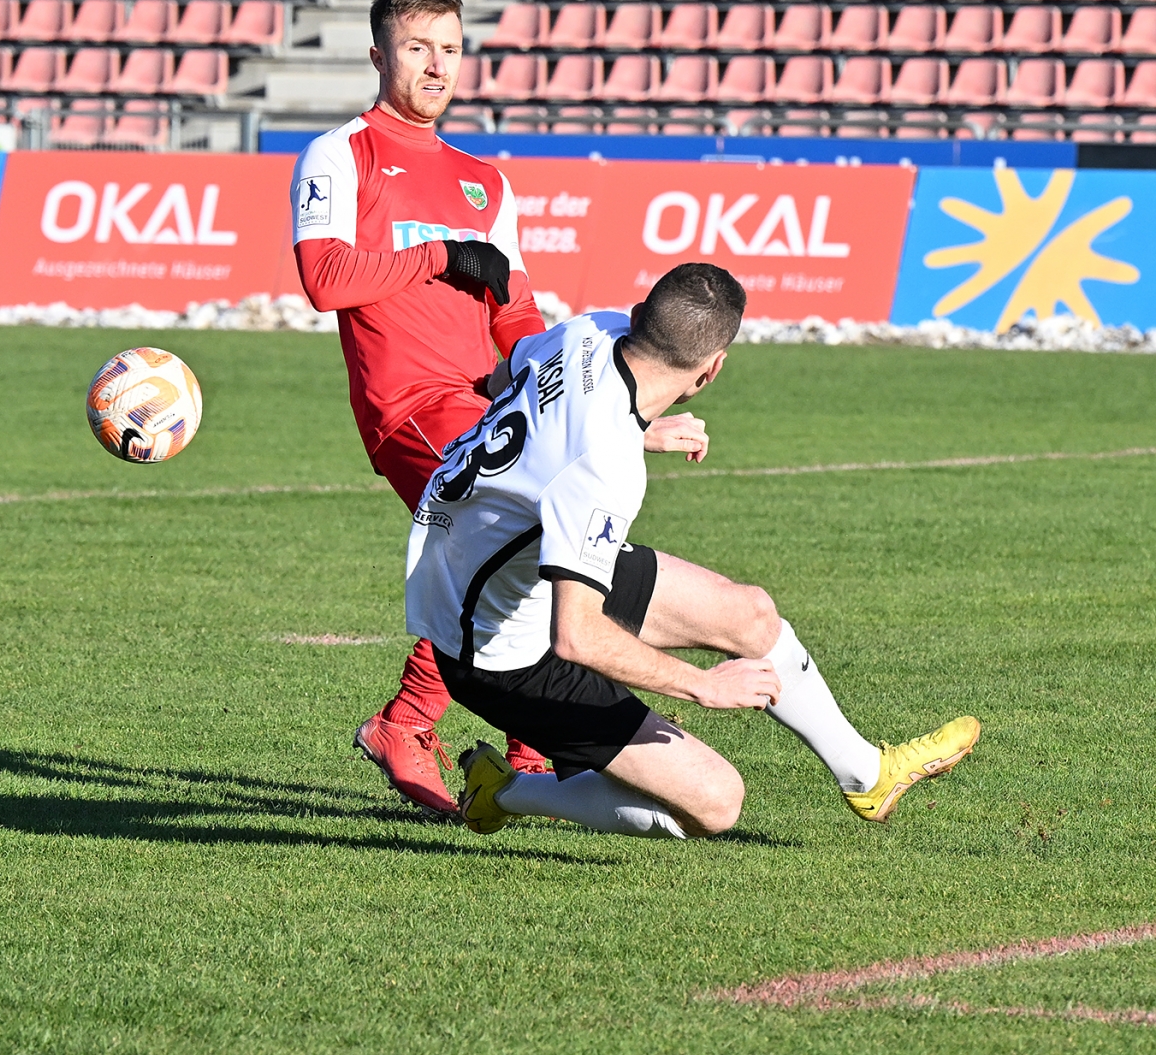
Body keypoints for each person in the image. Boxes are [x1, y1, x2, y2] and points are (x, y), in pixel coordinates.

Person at [288, 0, 708, 815]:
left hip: (488, 403)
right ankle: (420, 724)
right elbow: (324, 279)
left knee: (540, 544)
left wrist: (609, 415)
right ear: (379, 55)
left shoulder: (484, 181)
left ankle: (492, 740)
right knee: (531, 538)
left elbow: (516, 317)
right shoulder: (341, 154)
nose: (436, 65)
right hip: (410, 406)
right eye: (417, 47)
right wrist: (440, 256)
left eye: (449, 47)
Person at [399, 262, 979, 839]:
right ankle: (503, 792)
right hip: (494, 653)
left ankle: (867, 775)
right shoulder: (603, 466)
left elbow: (502, 384)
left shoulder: (587, 330)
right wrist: (702, 685)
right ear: (711, 370)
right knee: (715, 803)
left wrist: (631, 429)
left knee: (751, 614)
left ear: (637, 317)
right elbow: (576, 636)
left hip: (501, 566)